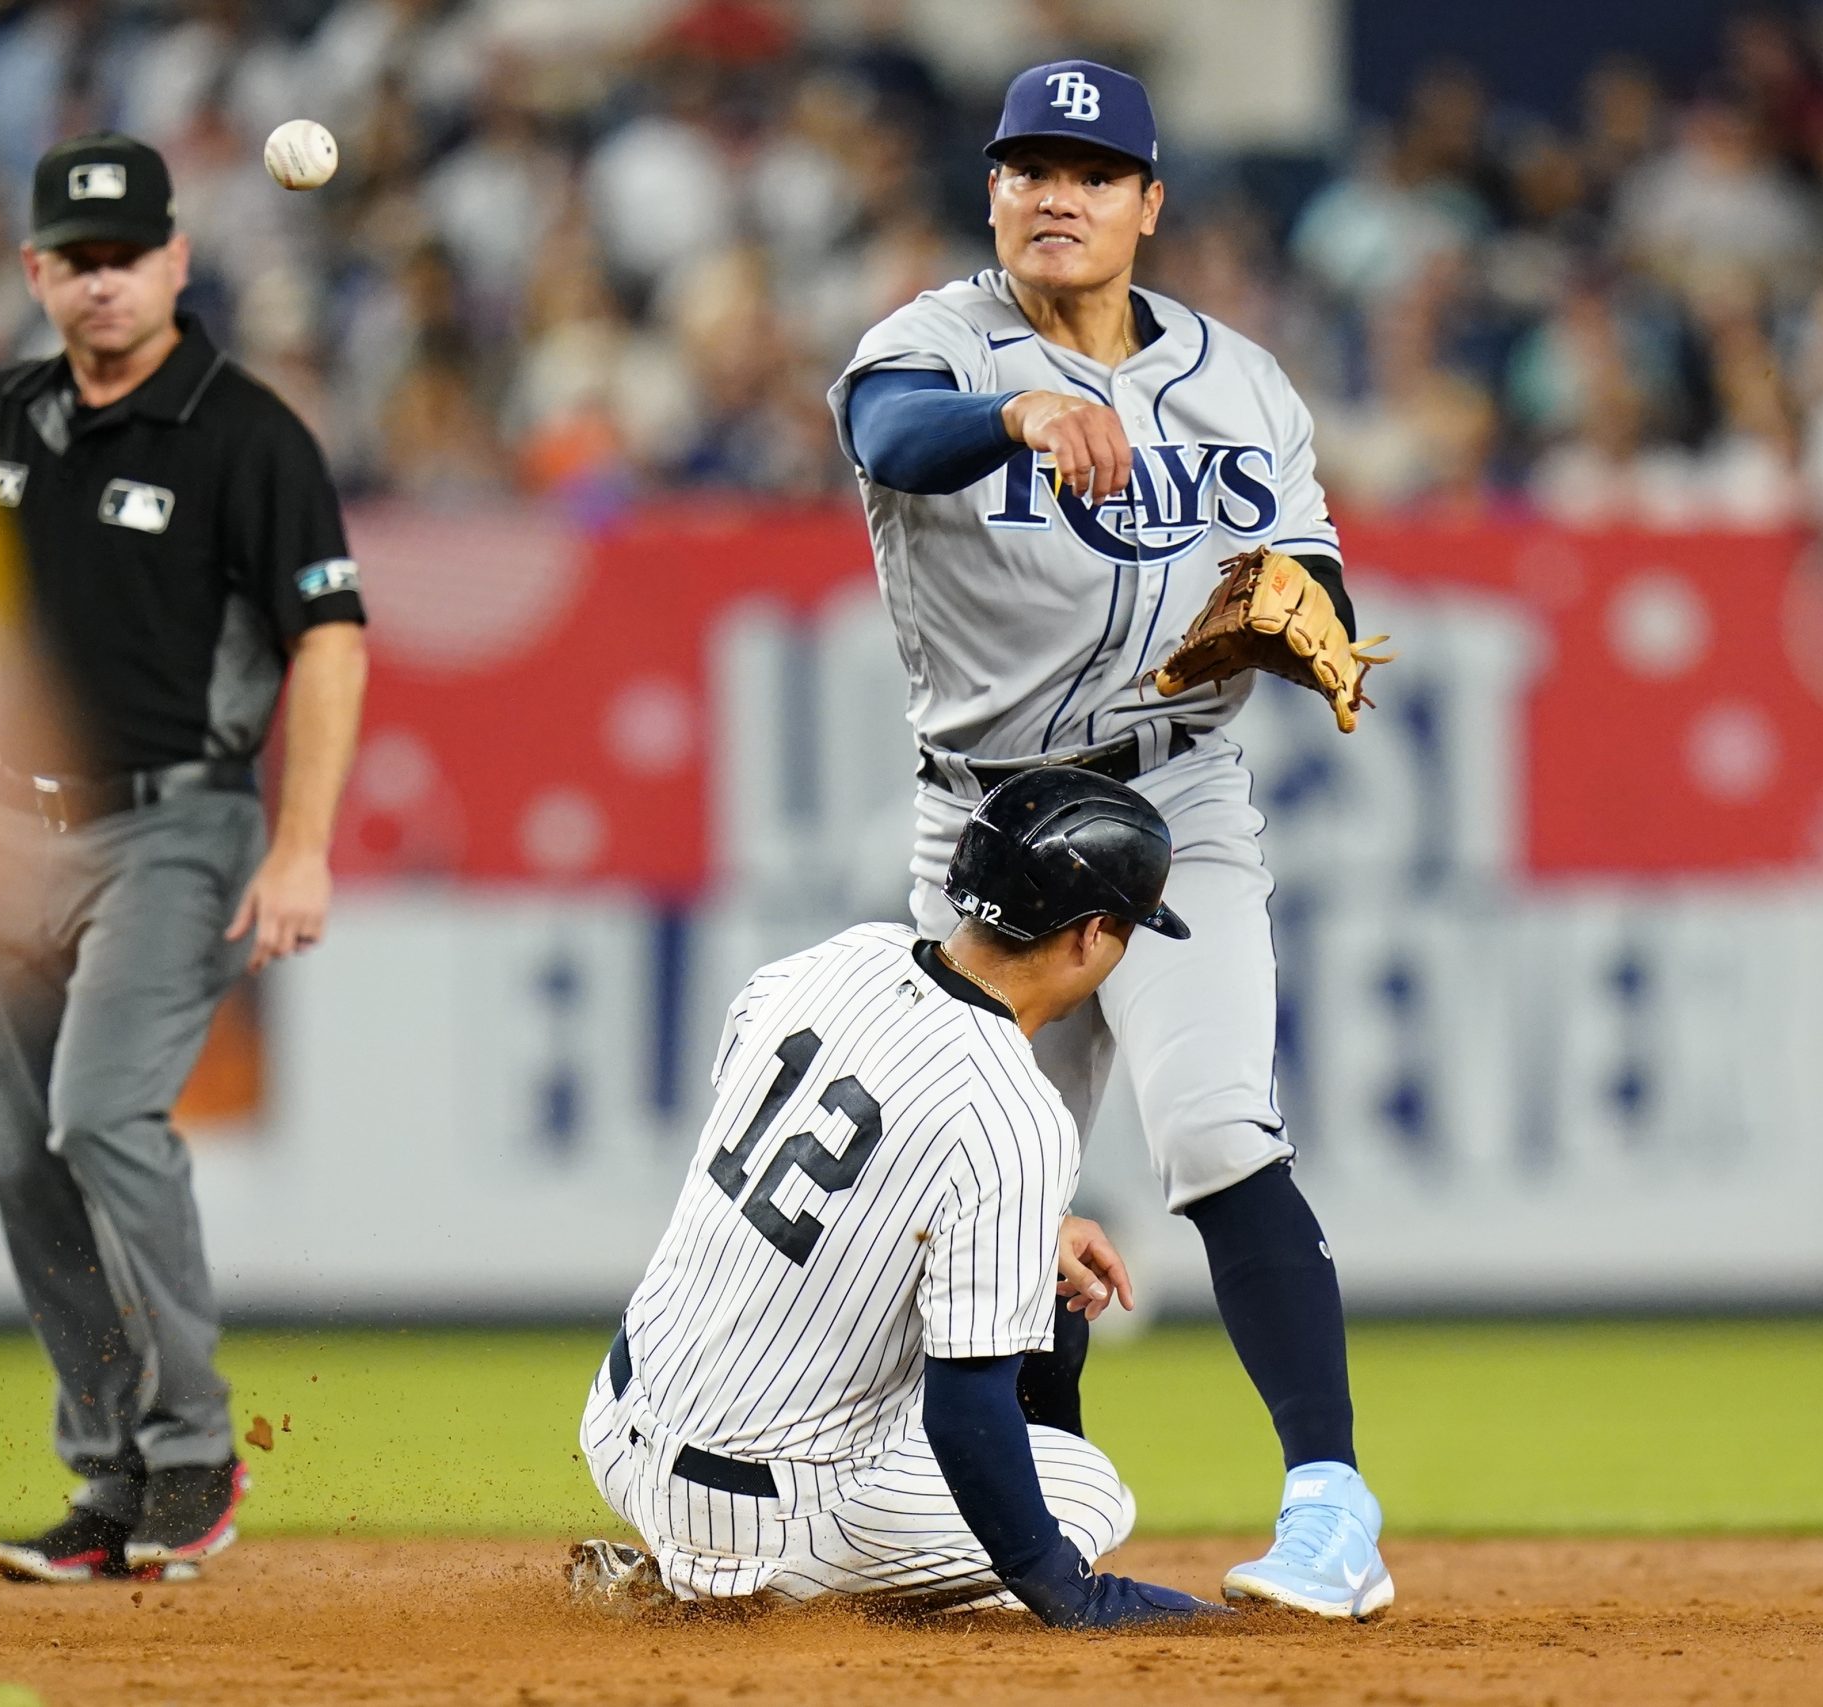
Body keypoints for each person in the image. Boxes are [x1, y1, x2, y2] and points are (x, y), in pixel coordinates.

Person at [826, 61, 1394, 1618]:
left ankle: (1333, 1506)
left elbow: (1312, 566)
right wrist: (1017, 408)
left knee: (1214, 1128)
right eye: (1027, 166)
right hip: (992, 818)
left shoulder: (1243, 383)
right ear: (992, 192)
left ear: (1150, 204)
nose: (1055, 193)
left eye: (1092, 170)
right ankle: (1044, 1513)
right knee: (999, 1185)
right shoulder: (928, 342)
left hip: (1177, 802)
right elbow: (896, 442)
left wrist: (1309, 620)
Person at [0, 133, 369, 1582]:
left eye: (129, 255)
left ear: (177, 260)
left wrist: (300, 845)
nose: (105, 281)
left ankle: (192, 1449)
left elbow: (331, 636)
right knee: (23, 1159)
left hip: (180, 822)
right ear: (36, 271)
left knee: (101, 1112)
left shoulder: (246, 433)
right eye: (78, 257)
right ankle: (111, 1472)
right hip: (12, 832)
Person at [575, 769, 1221, 1626]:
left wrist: (1025, 1228)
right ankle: (714, 1591)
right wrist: (1068, 1589)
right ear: (1091, 935)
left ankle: (691, 1557)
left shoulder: (834, 959)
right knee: (1089, 1495)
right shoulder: (1014, 1113)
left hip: (618, 1415)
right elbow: (967, 1414)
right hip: (760, 1512)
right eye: (1128, 930)